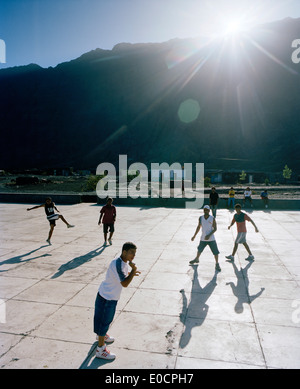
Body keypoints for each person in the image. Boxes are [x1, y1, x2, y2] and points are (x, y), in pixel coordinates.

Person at [94, 242, 140, 360]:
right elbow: (124, 283)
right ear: (124, 251)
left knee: (104, 321)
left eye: (134, 253)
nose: (133, 255)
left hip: (108, 295)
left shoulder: (123, 263)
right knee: (104, 322)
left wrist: (130, 273)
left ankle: (101, 336)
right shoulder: (118, 263)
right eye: (131, 252)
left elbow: (121, 275)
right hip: (107, 297)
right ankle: (100, 350)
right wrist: (133, 271)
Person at [189, 205, 221, 272]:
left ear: (209, 211)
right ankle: (197, 259)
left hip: (211, 238)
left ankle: (217, 264)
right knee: (199, 249)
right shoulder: (201, 218)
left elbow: (215, 229)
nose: (205, 211)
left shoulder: (212, 218)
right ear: (203, 210)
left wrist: (209, 235)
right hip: (203, 238)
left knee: (215, 252)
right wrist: (194, 235)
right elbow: (199, 227)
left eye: (207, 210)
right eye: (204, 210)